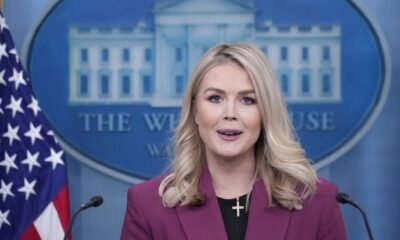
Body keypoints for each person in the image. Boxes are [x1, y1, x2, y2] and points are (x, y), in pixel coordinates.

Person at [121, 43, 346, 240]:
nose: (230, 113)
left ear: (265, 113)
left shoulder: (318, 202)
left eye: (247, 100)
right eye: (215, 98)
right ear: (195, 112)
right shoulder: (147, 205)